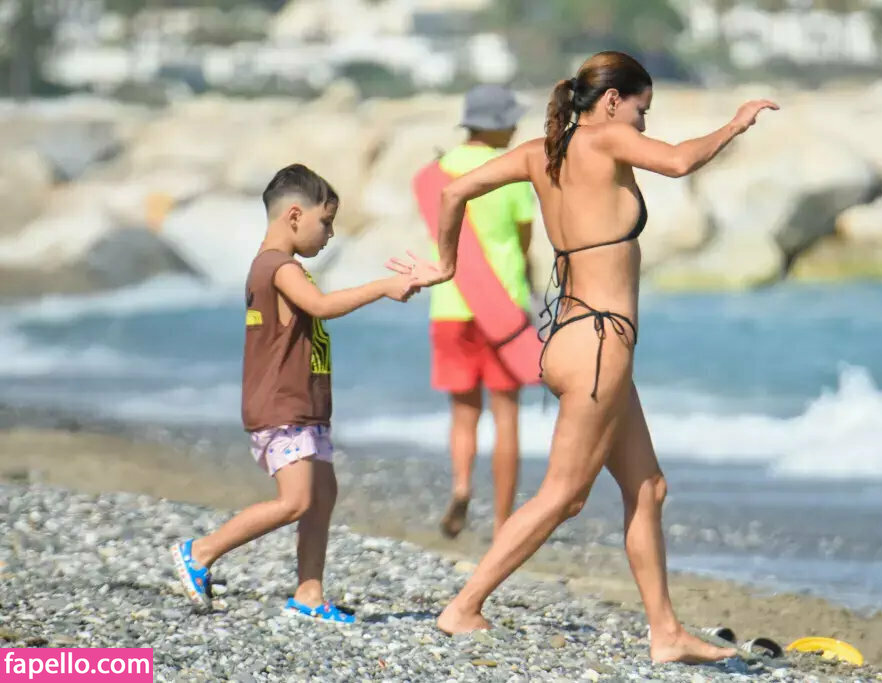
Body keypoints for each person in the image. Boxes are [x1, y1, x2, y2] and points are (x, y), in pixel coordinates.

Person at [389, 51, 777, 662]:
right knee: (563, 496)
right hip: (599, 347)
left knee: (647, 487)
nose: (644, 124)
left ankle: (666, 633)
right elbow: (680, 161)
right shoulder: (606, 139)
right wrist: (735, 123)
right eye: (643, 109)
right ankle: (463, 606)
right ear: (613, 100)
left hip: (571, 340)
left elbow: (455, 189)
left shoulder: (539, 153)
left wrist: (445, 265)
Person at [170, 164, 418, 620]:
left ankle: (309, 595)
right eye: (327, 222)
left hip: (304, 406)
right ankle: (201, 551)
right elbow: (321, 306)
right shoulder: (278, 267)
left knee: (322, 496)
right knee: (296, 500)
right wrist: (383, 287)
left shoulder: (281, 267)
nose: (330, 234)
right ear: (295, 216)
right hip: (282, 406)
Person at [423, 85, 536, 539]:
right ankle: (504, 520)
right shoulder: (512, 171)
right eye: (512, 121)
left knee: (463, 412)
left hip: (450, 304)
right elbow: (524, 240)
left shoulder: (439, 172)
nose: (516, 128)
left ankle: (462, 486)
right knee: (506, 414)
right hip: (502, 308)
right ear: (498, 125)